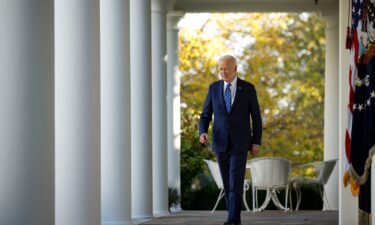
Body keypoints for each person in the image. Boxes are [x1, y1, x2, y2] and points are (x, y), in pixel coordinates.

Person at [199, 55, 262, 225]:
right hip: (220, 143)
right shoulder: (213, 88)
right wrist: (202, 131)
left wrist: (256, 142)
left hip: (240, 143)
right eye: (220, 68)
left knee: (235, 182)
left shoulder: (248, 88)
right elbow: (205, 115)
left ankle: (231, 220)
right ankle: (235, 219)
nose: (223, 72)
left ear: (235, 69)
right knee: (228, 184)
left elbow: (256, 117)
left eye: (226, 68)